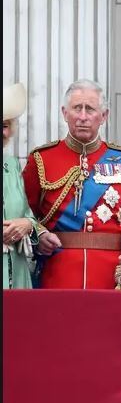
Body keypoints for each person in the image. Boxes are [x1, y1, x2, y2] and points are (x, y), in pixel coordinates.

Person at [22, 79, 121, 289]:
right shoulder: (42, 159)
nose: (83, 117)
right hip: (56, 276)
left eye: (90, 109)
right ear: (65, 113)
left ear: (104, 116)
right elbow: (24, 214)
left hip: (110, 278)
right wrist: (40, 236)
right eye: (77, 108)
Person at [3, 83, 39, 289]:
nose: (4, 133)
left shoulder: (12, 165)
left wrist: (26, 224)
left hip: (16, 272)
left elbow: (29, 215)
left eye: (5, 125)